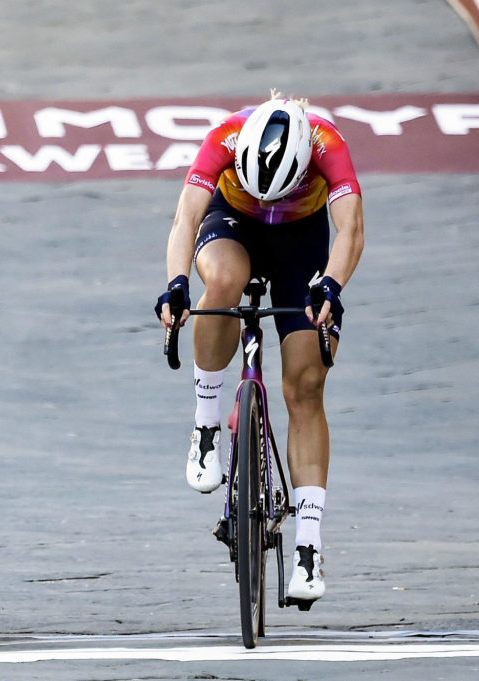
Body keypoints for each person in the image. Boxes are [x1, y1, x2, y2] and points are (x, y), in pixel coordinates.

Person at [155, 91, 365, 602]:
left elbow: (350, 229)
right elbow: (184, 219)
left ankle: (308, 549)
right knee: (223, 281)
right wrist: (177, 283)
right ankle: (207, 426)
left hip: (302, 239)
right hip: (234, 223)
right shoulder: (224, 139)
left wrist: (332, 285)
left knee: (306, 386)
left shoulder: (326, 143)